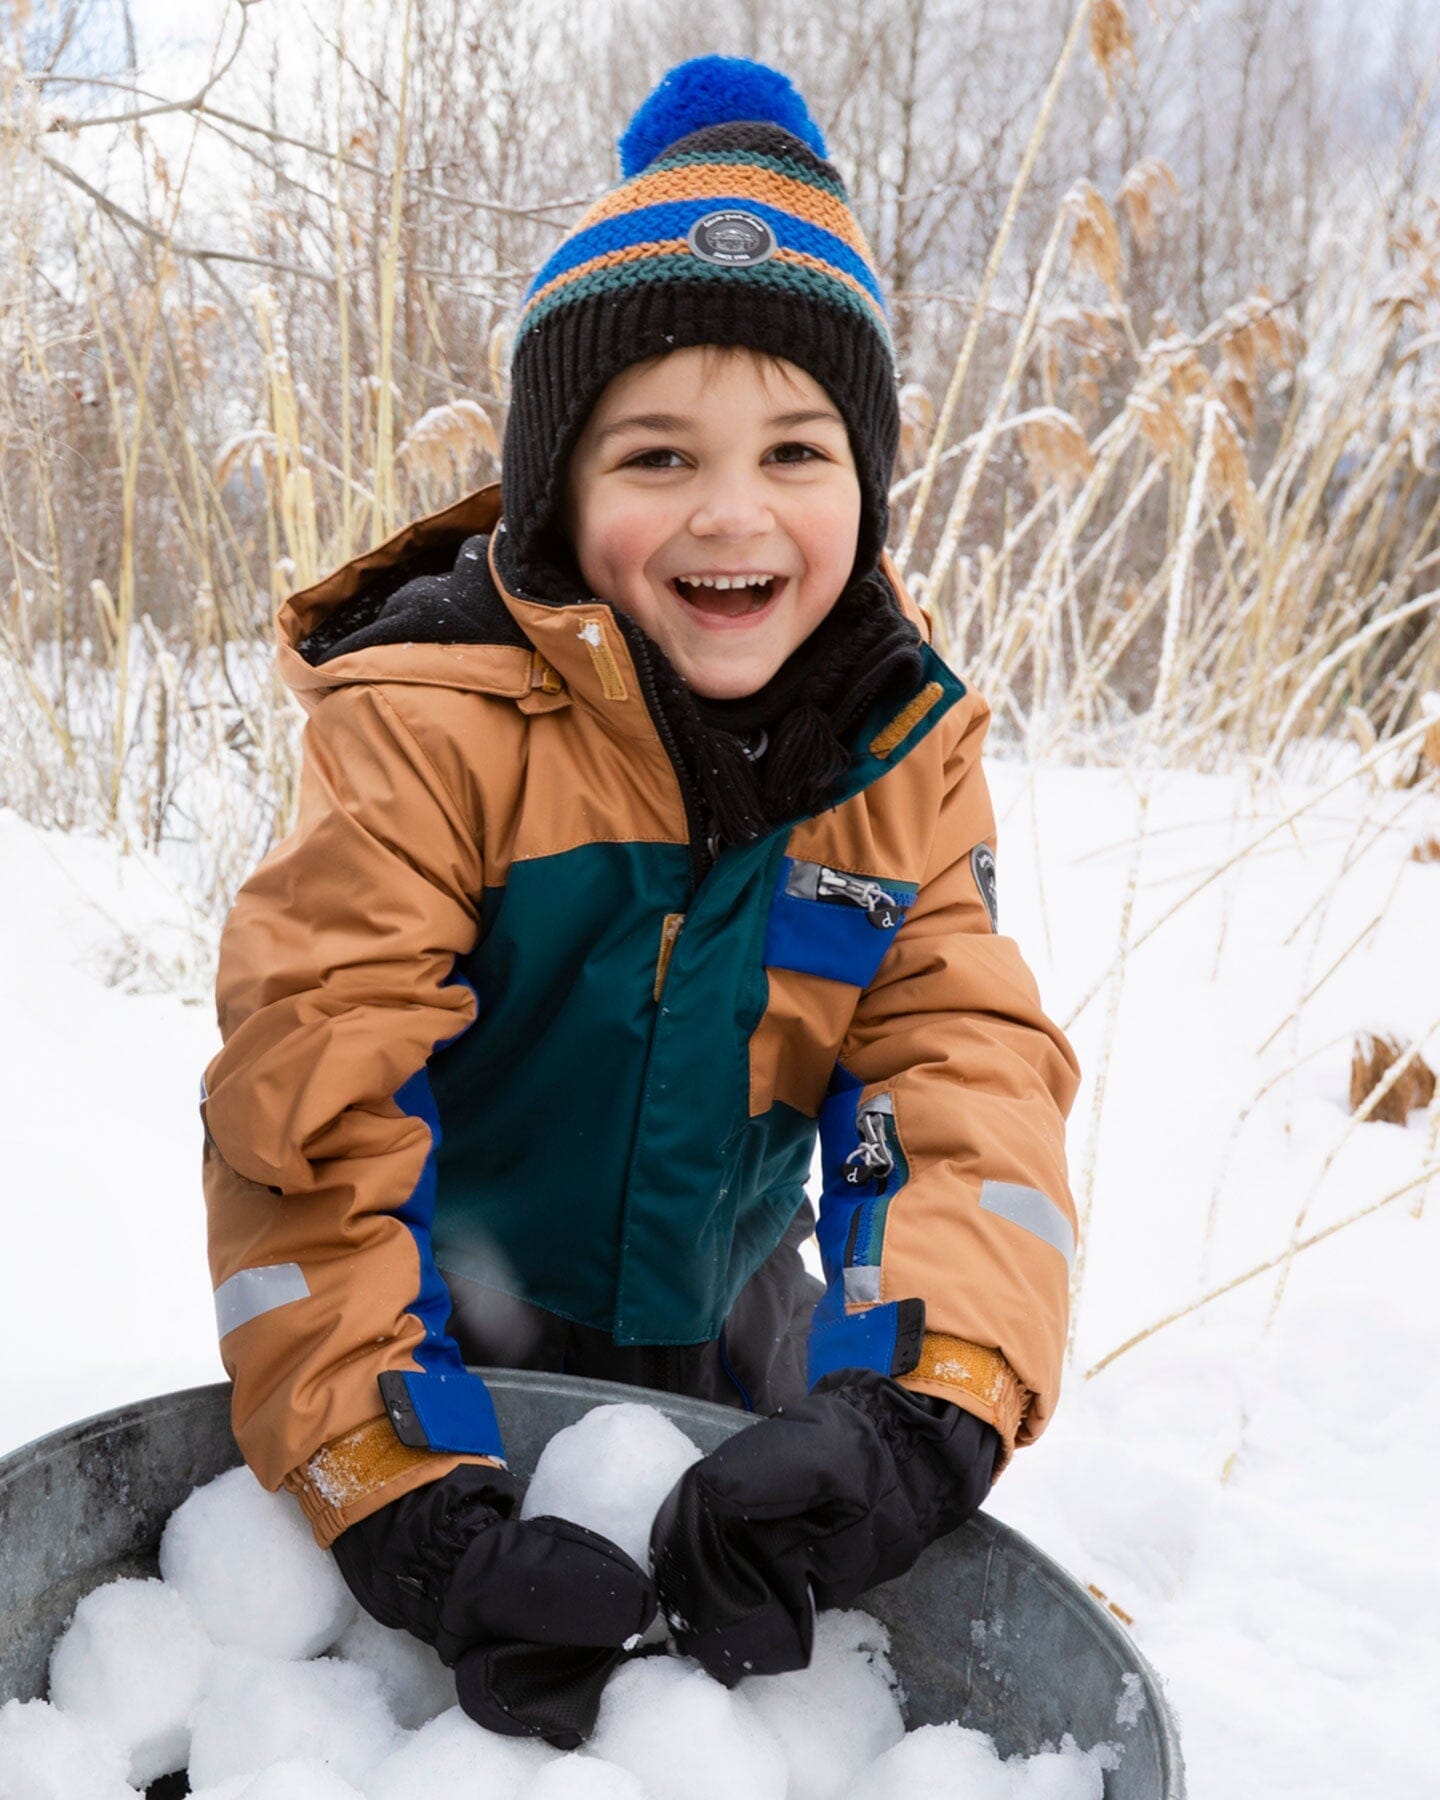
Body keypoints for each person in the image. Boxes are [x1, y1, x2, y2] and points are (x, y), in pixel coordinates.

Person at [201, 56, 1080, 1750]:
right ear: (558, 487)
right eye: (659, 452)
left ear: (866, 485)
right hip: (434, 1309)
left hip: (724, 1303)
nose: (733, 512)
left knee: (725, 1661)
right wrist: (406, 1492)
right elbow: (318, 1102)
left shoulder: (896, 754)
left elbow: (952, 1076)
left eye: (798, 450)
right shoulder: (430, 728)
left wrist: (920, 1401)